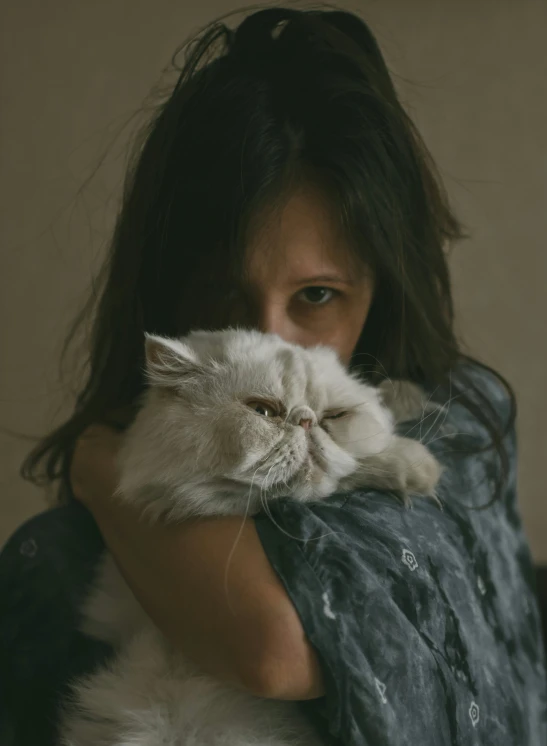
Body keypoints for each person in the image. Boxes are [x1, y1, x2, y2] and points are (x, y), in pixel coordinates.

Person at [1, 7, 545, 745]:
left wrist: (103, 468)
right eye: (227, 296)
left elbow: (274, 649)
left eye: (315, 295)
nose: (268, 339)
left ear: (379, 285)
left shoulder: (457, 422)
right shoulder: (85, 534)